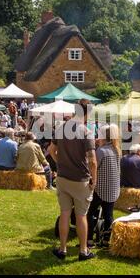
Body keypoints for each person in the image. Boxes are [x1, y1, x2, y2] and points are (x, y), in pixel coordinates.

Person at [49, 99, 97, 261]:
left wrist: (59, 163)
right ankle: (83, 251)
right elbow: (92, 161)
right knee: (81, 215)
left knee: (64, 213)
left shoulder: (62, 127)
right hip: (80, 180)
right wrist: (94, 180)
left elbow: (51, 150)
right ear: (87, 112)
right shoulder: (86, 132)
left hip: (63, 178)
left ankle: (62, 249)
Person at [87, 124, 121, 247]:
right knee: (108, 215)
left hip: (101, 188)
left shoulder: (101, 151)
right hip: (113, 188)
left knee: (89, 213)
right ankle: (106, 240)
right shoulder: (116, 149)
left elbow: (93, 167)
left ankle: (89, 240)